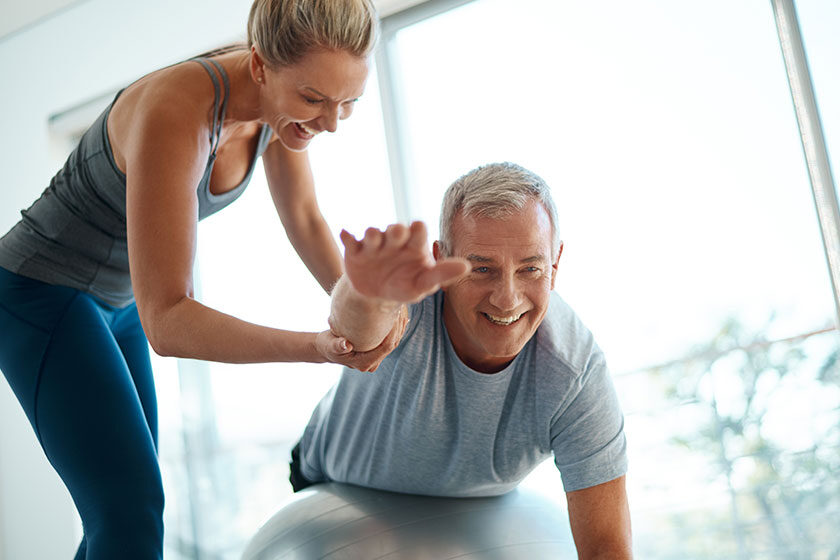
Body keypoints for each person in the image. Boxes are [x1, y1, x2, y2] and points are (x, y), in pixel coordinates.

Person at [0, 1, 400, 558]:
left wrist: (367, 312)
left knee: (120, 514)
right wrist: (320, 348)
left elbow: (305, 218)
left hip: (118, 303)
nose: (330, 123)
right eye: (313, 99)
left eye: (347, 103)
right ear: (260, 66)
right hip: (39, 293)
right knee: (130, 510)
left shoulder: (276, 114)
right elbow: (168, 321)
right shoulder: (177, 109)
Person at [291, 162, 633, 558]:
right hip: (337, 493)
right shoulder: (409, 300)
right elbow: (359, 331)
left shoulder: (575, 372)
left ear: (554, 266)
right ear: (442, 261)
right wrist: (361, 291)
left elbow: (608, 550)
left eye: (530, 269)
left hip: (476, 514)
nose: (507, 298)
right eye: (482, 269)